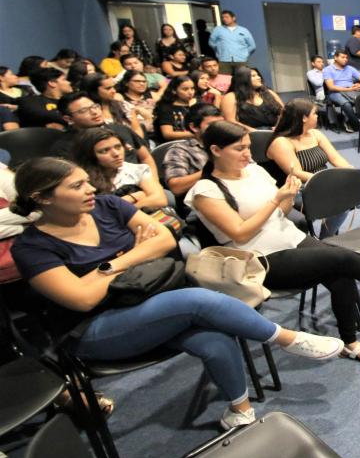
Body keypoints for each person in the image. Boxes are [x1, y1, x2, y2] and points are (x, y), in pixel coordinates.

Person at [10, 157, 343, 430]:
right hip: (94, 330)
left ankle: (240, 413)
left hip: (151, 305)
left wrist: (104, 271)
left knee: (212, 336)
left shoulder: (108, 206)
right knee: (195, 301)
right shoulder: (32, 248)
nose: (90, 189)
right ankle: (284, 338)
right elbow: (81, 300)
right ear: (42, 197)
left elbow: (166, 238)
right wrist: (126, 260)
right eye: (77, 185)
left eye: (87, 181)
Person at [187, 121, 360, 366]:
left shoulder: (255, 171)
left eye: (248, 147)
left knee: (341, 271)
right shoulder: (206, 190)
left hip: (293, 239)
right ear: (215, 150)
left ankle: (350, 343)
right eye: (239, 149)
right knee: (342, 258)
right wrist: (276, 199)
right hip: (259, 261)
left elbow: (282, 213)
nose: (248, 154)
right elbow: (240, 234)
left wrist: (286, 197)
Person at [266, 99, 360, 235]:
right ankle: (326, 240)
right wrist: (328, 180)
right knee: (342, 203)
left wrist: (351, 172)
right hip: (300, 190)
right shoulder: (281, 142)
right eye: (314, 113)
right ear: (303, 118)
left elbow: (335, 158)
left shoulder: (315, 134)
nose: (317, 116)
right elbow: (297, 173)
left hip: (326, 183)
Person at [51, 93, 156, 172]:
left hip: (143, 182)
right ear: (68, 119)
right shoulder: (65, 146)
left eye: (95, 106)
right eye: (84, 111)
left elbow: (146, 157)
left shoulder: (120, 129)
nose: (94, 112)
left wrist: (154, 183)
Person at [72, 127, 167, 210]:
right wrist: (132, 197)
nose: (116, 154)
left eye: (118, 147)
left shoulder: (137, 169)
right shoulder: (80, 178)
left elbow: (159, 200)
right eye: (105, 150)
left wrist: (124, 209)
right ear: (90, 155)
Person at [162, 104, 224, 199]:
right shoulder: (180, 150)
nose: (218, 128)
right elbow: (176, 187)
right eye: (211, 125)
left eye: (221, 124)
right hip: (203, 201)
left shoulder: (229, 144)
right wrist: (214, 169)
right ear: (194, 127)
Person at [80, 72, 144, 137]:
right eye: (108, 88)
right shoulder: (88, 113)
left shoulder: (123, 105)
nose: (114, 91)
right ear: (93, 91)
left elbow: (137, 129)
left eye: (114, 87)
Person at [323, 50, 360, 132]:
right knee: (346, 104)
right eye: (342, 57)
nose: (345, 59)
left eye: (346, 57)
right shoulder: (327, 70)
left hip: (351, 91)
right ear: (335, 58)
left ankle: (353, 120)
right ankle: (356, 125)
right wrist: (349, 89)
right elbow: (331, 87)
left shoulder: (350, 68)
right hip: (335, 92)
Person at [154, 75, 197, 142]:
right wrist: (196, 134)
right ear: (174, 90)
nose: (190, 92)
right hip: (175, 145)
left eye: (192, 88)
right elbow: (167, 134)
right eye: (185, 89)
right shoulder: (166, 108)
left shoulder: (197, 103)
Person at [117, 69, 157, 135]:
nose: (142, 84)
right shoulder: (119, 97)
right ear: (126, 83)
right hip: (133, 132)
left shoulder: (152, 95)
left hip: (154, 132)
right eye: (137, 81)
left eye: (144, 81)